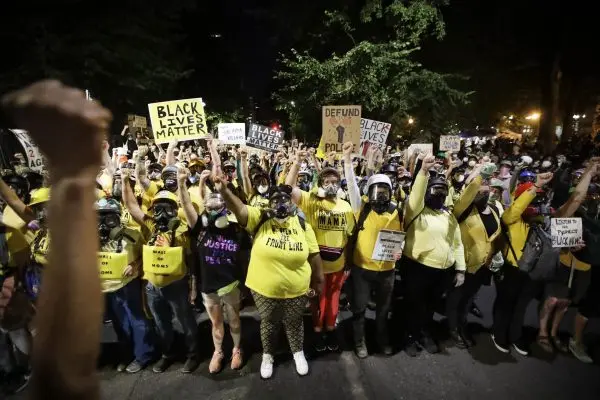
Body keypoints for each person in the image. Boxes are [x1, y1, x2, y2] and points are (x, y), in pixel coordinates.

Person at [2, 80, 113, 399]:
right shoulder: (37, 225)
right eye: (39, 209)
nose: (42, 212)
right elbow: (15, 204)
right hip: (37, 287)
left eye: (44, 207)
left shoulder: (69, 232)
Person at [215, 177, 324, 379]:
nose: (281, 205)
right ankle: (268, 355)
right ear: (269, 204)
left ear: (292, 203)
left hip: (297, 289)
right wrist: (224, 191)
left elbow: (314, 254)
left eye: (285, 200)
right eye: (275, 201)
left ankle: (297, 352)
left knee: (294, 322)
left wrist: (319, 280)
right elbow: (240, 210)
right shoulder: (261, 218)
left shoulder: (301, 223)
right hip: (264, 289)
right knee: (269, 322)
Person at [121, 171, 199, 374]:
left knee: (186, 322)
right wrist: (124, 181)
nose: (162, 212)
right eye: (158, 208)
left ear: (175, 210)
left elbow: (191, 259)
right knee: (161, 324)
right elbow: (131, 206)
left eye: (167, 208)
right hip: (153, 286)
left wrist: (193, 286)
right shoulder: (150, 225)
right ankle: (168, 354)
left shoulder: (183, 229)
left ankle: (192, 355)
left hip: (177, 284)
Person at [177, 167, 248, 373]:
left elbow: (244, 259)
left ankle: (236, 349)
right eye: (209, 206)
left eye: (218, 205)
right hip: (208, 285)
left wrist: (245, 284)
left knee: (234, 318)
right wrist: (182, 184)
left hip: (231, 283)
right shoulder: (200, 228)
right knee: (216, 321)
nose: (213, 209)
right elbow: (187, 205)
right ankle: (218, 351)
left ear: (225, 208)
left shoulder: (236, 230)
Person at [286, 149, 356, 352]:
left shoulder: (346, 207)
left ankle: (330, 329)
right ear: (320, 183)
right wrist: (297, 162)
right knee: (316, 300)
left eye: (334, 180)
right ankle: (317, 331)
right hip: (315, 266)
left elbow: (349, 238)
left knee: (333, 300)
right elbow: (288, 188)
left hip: (337, 265)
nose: (331, 184)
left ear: (340, 183)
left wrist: (348, 263)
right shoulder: (311, 200)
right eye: (326, 181)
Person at [401, 154, 466, 357]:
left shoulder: (448, 215)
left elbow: (457, 243)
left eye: (442, 191)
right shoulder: (417, 211)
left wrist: (460, 269)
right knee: (414, 306)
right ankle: (410, 336)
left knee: (430, 307)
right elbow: (416, 195)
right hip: (417, 268)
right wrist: (423, 171)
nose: (439, 194)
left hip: (442, 271)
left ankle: (424, 333)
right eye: (435, 190)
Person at [343, 142, 400, 358]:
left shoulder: (397, 211)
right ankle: (360, 343)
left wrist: (399, 249)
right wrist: (347, 160)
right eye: (377, 191)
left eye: (385, 191)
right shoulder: (362, 207)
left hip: (387, 270)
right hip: (362, 270)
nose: (381, 195)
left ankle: (382, 339)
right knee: (359, 309)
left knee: (383, 310)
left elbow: (400, 237)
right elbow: (350, 184)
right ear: (369, 191)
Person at [96, 197, 156, 373]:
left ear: (117, 217)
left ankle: (143, 355)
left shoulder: (133, 235)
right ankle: (127, 354)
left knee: (137, 320)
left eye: (108, 217)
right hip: (105, 288)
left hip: (128, 286)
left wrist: (135, 265)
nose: (102, 222)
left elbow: (147, 255)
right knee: (119, 323)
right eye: (98, 217)